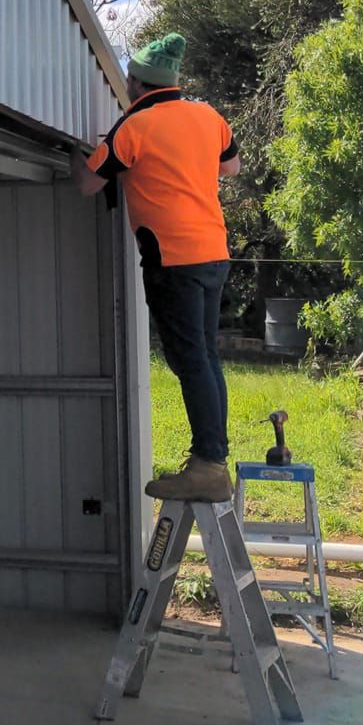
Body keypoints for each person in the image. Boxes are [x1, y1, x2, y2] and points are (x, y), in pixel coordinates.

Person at [78, 31, 240, 501]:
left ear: (137, 83)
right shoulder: (207, 116)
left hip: (172, 260)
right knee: (205, 357)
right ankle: (211, 458)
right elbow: (229, 168)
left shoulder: (134, 128)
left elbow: (88, 184)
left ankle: (209, 464)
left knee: (191, 360)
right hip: (214, 253)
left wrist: (73, 154)